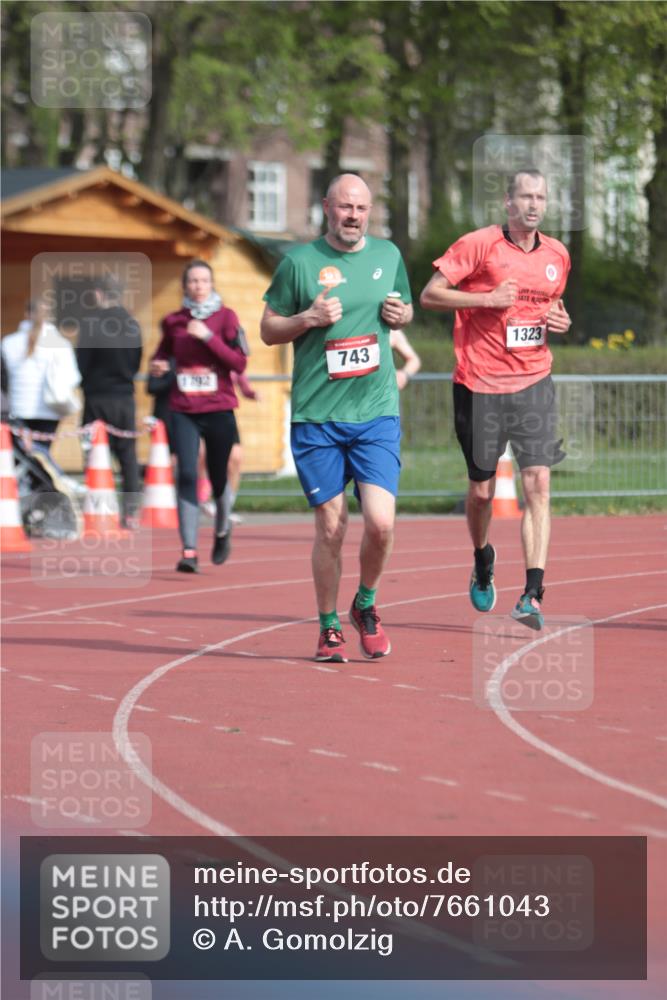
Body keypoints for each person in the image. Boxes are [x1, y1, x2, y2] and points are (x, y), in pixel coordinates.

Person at [260, 173, 413, 662]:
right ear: (327, 206)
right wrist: (307, 318)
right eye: (345, 207)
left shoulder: (388, 256)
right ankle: (328, 627)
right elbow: (267, 330)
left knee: (381, 523)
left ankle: (365, 604)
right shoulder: (298, 263)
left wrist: (401, 316)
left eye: (362, 209)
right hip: (318, 417)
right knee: (331, 526)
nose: (354, 216)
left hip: (375, 411)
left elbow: (405, 307)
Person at [419, 167, 571, 630]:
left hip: (533, 384)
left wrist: (560, 322)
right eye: (525, 196)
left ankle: (532, 593)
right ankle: (482, 557)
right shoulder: (479, 244)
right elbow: (429, 295)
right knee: (482, 492)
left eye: (540, 197)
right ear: (508, 202)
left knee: (538, 484)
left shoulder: (558, 255)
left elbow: (550, 308)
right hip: (479, 385)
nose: (533, 205)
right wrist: (485, 301)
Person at [150, 259, 248, 573]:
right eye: (192, 281)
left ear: (212, 284)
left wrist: (207, 337)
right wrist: (159, 364)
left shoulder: (226, 318)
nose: (198, 286)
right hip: (183, 409)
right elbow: (162, 353)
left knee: (218, 477)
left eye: (204, 281)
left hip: (219, 408)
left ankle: (221, 529)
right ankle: (189, 550)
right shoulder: (173, 321)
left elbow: (239, 363)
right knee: (187, 474)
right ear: (185, 286)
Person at [76, 277, 143, 527]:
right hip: (124, 397)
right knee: (127, 456)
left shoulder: (90, 324)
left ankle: (98, 510)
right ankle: (130, 513)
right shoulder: (132, 324)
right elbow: (136, 361)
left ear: (97, 293)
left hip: (96, 397)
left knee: (93, 454)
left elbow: (81, 363)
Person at [1, 298, 81, 456]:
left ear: (27, 314)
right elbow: (73, 378)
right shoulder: (61, 344)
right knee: (41, 456)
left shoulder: (8, 343)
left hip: (17, 409)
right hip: (49, 410)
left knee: (20, 457)